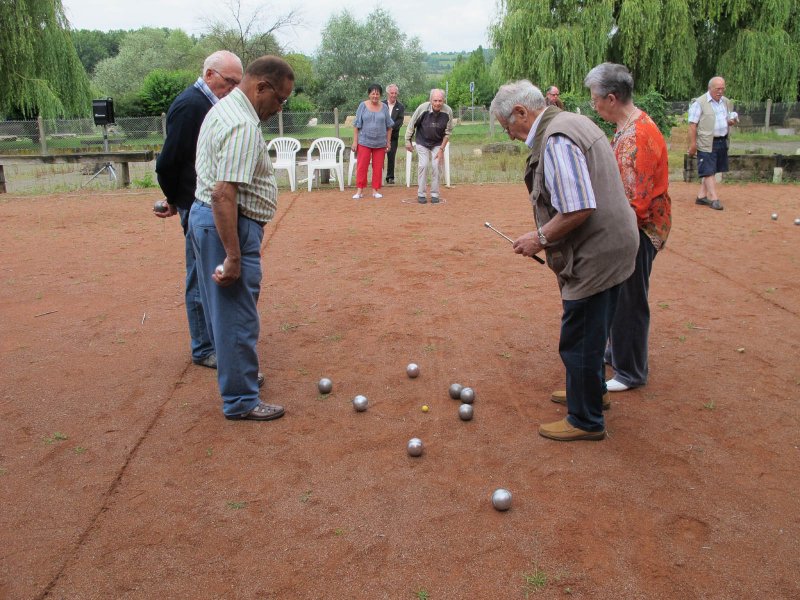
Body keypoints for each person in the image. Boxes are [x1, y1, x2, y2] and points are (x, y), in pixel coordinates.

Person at [489, 80, 639, 441]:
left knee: (580, 337)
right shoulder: (573, 121)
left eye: (508, 126)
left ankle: (586, 420)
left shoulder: (556, 138)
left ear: (522, 113)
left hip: (598, 251)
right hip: (614, 244)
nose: (510, 136)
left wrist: (538, 239)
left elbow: (579, 206)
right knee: (594, 329)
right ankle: (592, 393)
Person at [189, 55, 294, 421]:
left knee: (226, 312)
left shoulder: (222, 108)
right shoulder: (242, 125)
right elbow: (223, 193)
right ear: (260, 87)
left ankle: (238, 380)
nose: (279, 108)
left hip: (213, 222)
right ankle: (241, 400)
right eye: (279, 99)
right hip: (228, 225)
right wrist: (233, 255)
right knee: (237, 316)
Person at [583, 62, 672, 394]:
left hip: (639, 230)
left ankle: (631, 370)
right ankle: (616, 351)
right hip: (632, 226)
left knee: (630, 299)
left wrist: (612, 237)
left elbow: (636, 202)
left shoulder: (639, 136)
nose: (593, 104)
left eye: (595, 98)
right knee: (619, 295)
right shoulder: (627, 127)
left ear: (611, 98)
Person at [154, 50, 243, 370]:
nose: (233, 88)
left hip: (201, 201)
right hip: (195, 204)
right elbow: (167, 162)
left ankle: (212, 339)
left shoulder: (209, 104)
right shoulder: (191, 105)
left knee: (207, 272)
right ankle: (203, 347)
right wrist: (176, 200)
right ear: (209, 75)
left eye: (237, 82)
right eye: (229, 81)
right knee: (199, 276)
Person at [687, 76, 738, 211]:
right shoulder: (700, 103)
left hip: (721, 140)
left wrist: (731, 121)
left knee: (713, 169)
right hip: (706, 141)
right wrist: (693, 144)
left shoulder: (726, 102)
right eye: (717, 89)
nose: (720, 91)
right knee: (708, 170)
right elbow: (692, 125)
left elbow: (727, 118)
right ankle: (714, 198)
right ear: (710, 88)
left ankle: (701, 196)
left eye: (722, 88)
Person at [404, 89, 454, 204]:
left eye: (440, 101)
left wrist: (441, 149)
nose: (437, 103)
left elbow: (448, 132)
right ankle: (421, 194)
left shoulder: (448, 111)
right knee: (424, 164)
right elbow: (412, 124)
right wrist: (407, 141)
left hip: (438, 143)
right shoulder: (422, 108)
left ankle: (435, 194)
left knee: (436, 166)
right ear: (430, 100)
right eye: (435, 100)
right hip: (422, 141)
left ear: (444, 101)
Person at [351, 83, 393, 199]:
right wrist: (355, 141)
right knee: (362, 166)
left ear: (380, 95)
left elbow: (389, 126)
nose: (375, 96)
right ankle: (359, 191)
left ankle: (375, 190)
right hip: (364, 142)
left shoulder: (384, 107)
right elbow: (356, 125)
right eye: (373, 93)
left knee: (378, 167)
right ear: (369, 94)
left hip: (380, 143)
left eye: (377, 94)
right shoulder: (362, 106)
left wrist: (388, 142)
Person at [383, 83, 405, 184]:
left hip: (393, 137)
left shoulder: (400, 107)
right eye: (392, 93)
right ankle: (378, 176)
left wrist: (390, 128)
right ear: (388, 93)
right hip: (381, 136)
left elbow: (400, 121)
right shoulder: (382, 104)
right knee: (379, 157)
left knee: (391, 157)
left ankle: (390, 177)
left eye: (395, 93)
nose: (394, 95)